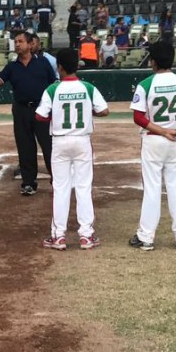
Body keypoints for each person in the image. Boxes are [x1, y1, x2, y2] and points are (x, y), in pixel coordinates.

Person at [129, 39, 176, 251]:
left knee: (152, 189)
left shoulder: (146, 84)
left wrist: (161, 130)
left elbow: (138, 117)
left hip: (154, 139)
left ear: (153, 61)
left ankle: (146, 237)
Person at [35, 49, 109, 250]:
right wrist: (88, 112)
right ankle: (86, 235)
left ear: (59, 67)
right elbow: (104, 110)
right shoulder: (87, 87)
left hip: (60, 141)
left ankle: (58, 236)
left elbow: (40, 116)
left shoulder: (53, 89)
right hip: (82, 140)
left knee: (60, 188)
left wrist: (56, 115)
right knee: (84, 186)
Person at [0, 32, 57, 195]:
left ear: (30, 44)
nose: (17, 44)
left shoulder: (44, 63)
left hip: (42, 109)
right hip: (21, 109)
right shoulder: (12, 66)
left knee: (49, 146)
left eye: (21, 41)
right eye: (15, 42)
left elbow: (53, 85)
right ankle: (28, 182)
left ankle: (57, 180)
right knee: (25, 147)